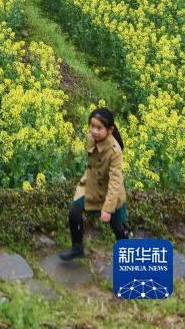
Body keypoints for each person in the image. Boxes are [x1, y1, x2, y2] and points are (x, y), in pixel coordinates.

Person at [60, 107, 130, 261]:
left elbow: (115, 181)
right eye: (92, 126)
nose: (94, 131)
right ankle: (77, 248)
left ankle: (128, 254)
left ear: (110, 130)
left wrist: (107, 208)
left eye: (99, 128)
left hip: (110, 193)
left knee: (117, 227)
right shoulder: (91, 138)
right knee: (74, 212)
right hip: (91, 186)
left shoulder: (115, 151)